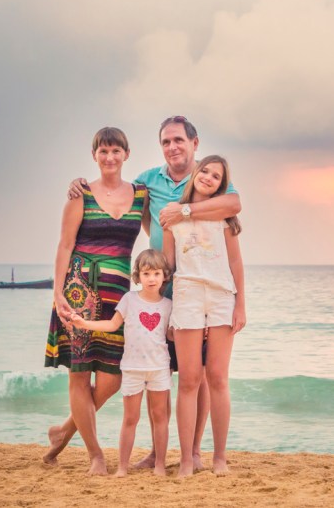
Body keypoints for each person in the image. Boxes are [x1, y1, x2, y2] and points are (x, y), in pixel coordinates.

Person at [67, 116, 240, 470]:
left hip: (199, 289)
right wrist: (81, 184)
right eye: (166, 142)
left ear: (194, 143)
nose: (172, 147)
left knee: (201, 374)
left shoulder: (208, 176)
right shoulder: (148, 180)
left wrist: (184, 210)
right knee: (161, 370)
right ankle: (158, 452)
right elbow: (116, 190)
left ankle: (192, 451)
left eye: (179, 140)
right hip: (159, 288)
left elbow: (233, 205)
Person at [43, 127, 148, 475]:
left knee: (112, 378)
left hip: (119, 297)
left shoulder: (141, 195)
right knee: (80, 373)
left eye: (116, 151)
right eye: (103, 151)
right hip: (78, 292)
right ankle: (95, 456)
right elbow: (64, 244)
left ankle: (64, 430)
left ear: (126, 154)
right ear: (94, 155)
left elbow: (159, 233)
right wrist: (58, 293)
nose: (109, 157)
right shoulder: (80, 194)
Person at [165, 155, 246, 476]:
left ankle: (220, 458)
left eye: (217, 176)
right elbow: (169, 268)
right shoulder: (173, 221)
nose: (209, 178)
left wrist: (241, 305)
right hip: (186, 298)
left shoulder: (226, 220)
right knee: (188, 380)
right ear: (195, 173)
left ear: (221, 185)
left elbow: (236, 264)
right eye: (206, 171)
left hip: (221, 297)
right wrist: (163, 310)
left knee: (217, 378)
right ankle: (187, 459)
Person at [71, 249, 172, 477]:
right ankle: (122, 467)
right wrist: (83, 323)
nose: (152, 279)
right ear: (138, 276)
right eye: (146, 274)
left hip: (159, 369)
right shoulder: (129, 299)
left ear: (164, 276)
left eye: (156, 273)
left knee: (160, 418)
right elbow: (111, 324)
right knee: (130, 419)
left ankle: (160, 465)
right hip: (132, 369)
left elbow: (173, 335)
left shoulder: (168, 305)